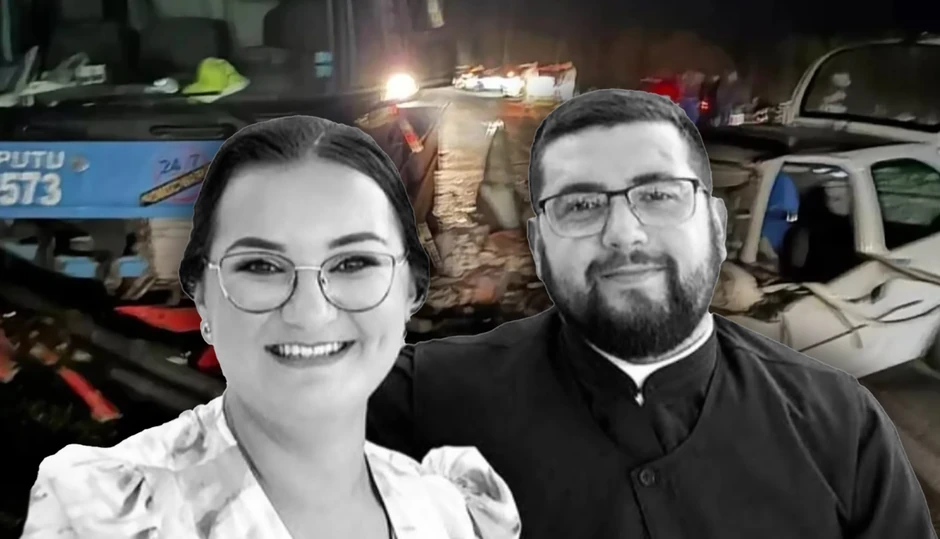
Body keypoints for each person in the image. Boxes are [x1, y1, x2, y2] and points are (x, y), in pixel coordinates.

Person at [368, 89, 937, 538]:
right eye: (581, 204)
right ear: (538, 247)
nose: (623, 233)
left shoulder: (838, 425)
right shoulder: (422, 398)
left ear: (716, 227)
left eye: (659, 195)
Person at [20, 116, 521, 539]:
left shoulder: (449, 514)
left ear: (410, 290)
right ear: (203, 297)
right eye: (260, 266)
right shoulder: (108, 512)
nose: (310, 312)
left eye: (353, 263)